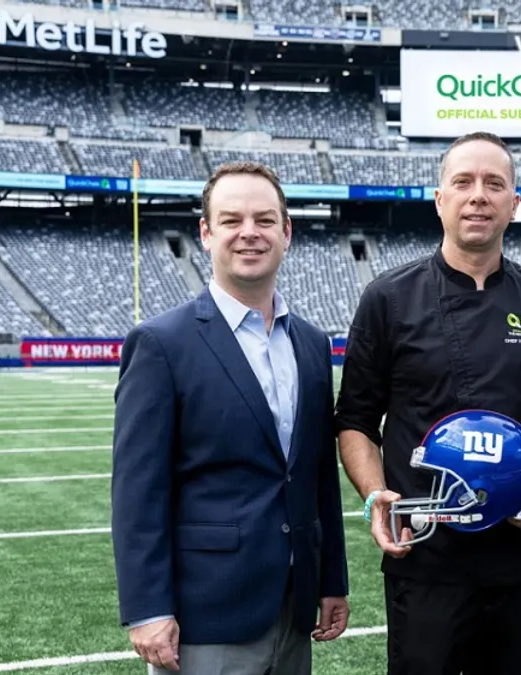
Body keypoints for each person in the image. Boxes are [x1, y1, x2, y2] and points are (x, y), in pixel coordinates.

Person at [334, 130, 521, 675]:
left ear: (514, 204)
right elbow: (355, 421)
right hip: (423, 555)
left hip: (514, 557)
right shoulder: (387, 297)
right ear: (439, 199)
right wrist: (376, 493)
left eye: (494, 184)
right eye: (463, 182)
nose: (479, 195)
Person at [111, 161, 350, 674]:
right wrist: (147, 608)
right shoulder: (160, 343)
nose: (249, 233)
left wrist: (332, 579)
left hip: (294, 605)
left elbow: (316, 475)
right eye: (232, 219)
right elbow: (137, 491)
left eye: (265, 220)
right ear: (206, 232)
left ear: (287, 232)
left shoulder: (311, 343)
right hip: (207, 611)